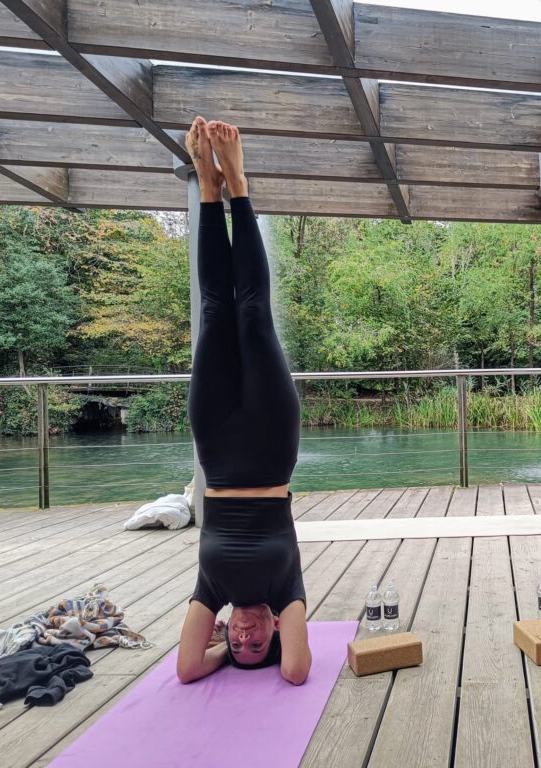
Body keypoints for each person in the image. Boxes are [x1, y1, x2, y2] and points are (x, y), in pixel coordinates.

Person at [176, 117, 311, 684]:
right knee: (253, 317)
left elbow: (186, 670)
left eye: (239, 644)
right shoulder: (287, 595)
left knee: (214, 313)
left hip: (218, 452)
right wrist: (275, 645)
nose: (245, 636)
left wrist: (220, 655)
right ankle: (238, 184)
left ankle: (208, 191)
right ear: (276, 633)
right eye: (257, 643)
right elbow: (298, 673)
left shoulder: (214, 591)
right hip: (271, 446)